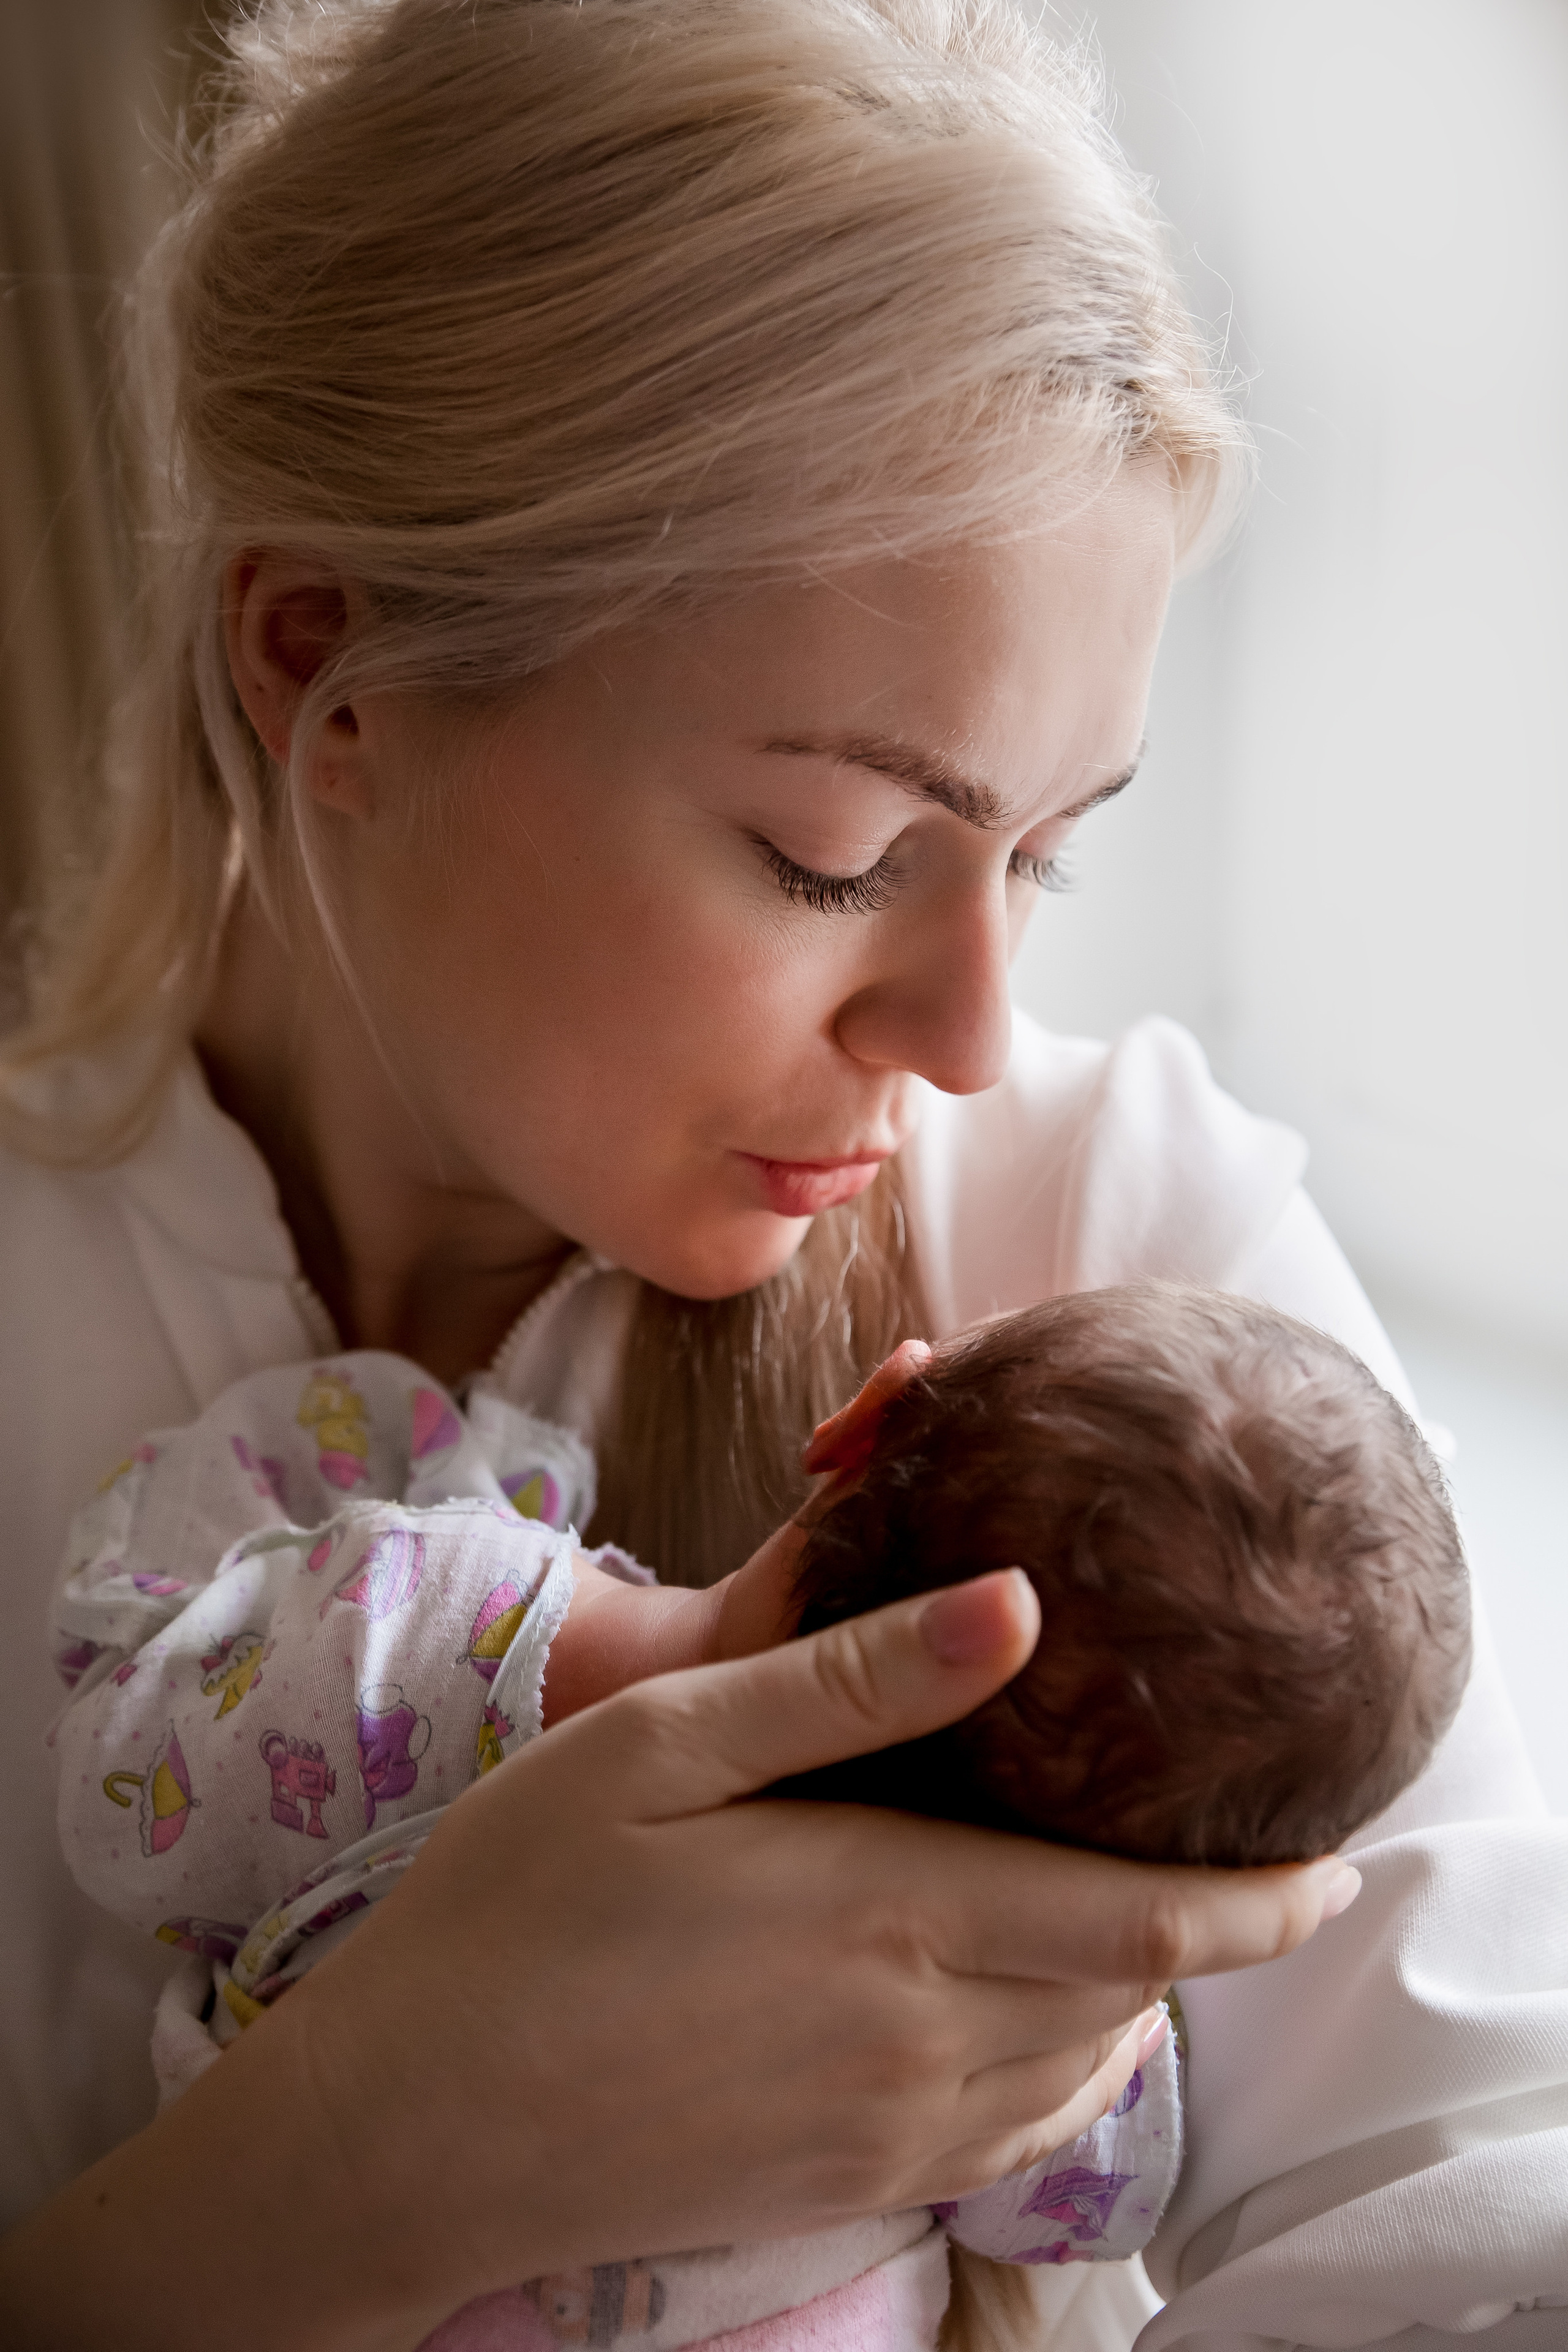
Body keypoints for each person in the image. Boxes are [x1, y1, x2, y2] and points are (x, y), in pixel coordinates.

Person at [0, 2, 1561, 2347]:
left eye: (1041, 855)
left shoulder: (1121, 1250)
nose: (966, 1038)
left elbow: (1479, 2196)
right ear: (329, 663)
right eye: (832, 855)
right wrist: (362, 2155)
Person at [42, 1279, 1472, 2346]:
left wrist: (394, 1530)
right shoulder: (1012, 2046)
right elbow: (1089, 2209)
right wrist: (1117, 2017)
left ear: (865, 1415)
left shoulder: (418, 1632)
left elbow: (123, 1795)